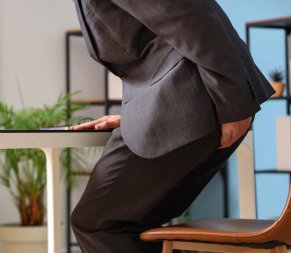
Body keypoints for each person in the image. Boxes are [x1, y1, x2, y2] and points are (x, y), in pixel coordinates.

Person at [70, 0, 275, 252]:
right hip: (188, 103)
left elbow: (188, 16)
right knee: (131, 224)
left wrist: (233, 101)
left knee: (97, 223)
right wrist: (139, 114)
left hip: (201, 104)